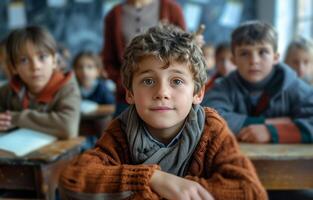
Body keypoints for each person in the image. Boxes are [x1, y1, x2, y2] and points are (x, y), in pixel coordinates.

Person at [59, 24, 267, 200]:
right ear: (130, 93)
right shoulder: (121, 130)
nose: (162, 93)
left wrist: (171, 188)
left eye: (176, 81)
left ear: (198, 93)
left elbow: (250, 192)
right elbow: (73, 178)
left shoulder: (211, 129)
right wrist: (153, 179)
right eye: (148, 81)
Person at [202, 20, 313, 144]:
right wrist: (266, 123)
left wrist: (271, 132)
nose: (254, 61)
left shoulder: (295, 86)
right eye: (244, 53)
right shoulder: (223, 86)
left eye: (263, 52)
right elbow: (208, 118)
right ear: (234, 60)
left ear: (276, 57)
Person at [101, 0, 186, 117]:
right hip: (126, 94)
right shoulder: (113, 14)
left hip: (165, 92)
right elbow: (108, 58)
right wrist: (123, 82)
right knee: (122, 132)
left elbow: (183, 49)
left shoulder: (171, 8)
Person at [0, 26, 80, 139]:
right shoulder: (9, 89)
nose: (35, 67)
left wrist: (15, 118)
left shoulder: (66, 87)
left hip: (59, 155)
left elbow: (67, 127)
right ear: (14, 67)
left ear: (54, 61)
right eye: (24, 60)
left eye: (42, 57)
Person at [73, 51, 115, 148]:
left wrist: (95, 108)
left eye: (89, 67)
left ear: (98, 71)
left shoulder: (102, 88)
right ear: (74, 70)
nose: (84, 71)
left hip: (99, 130)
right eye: (80, 67)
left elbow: (112, 108)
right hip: (80, 131)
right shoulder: (73, 88)